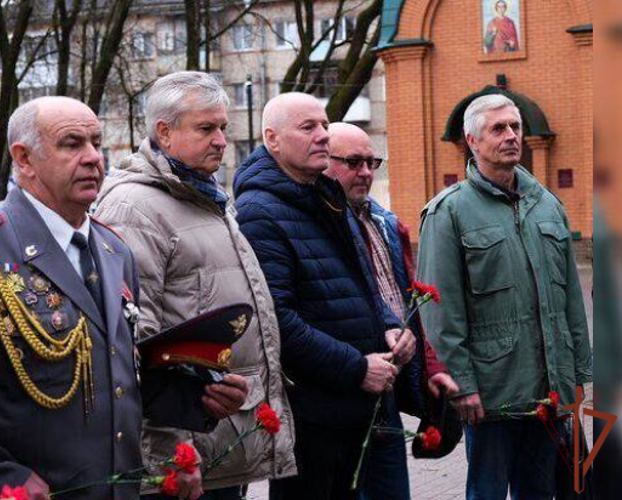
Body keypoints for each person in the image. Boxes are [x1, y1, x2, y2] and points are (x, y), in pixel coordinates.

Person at [0, 96, 247, 500]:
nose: (93, 158)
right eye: (71, 144)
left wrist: (199, 399)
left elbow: (116, 375)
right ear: (24, 158)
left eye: (96, 143)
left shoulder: (114, 249)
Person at [94, 71, 296, 500]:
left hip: (221, 437)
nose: (221, 140)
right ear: (164, 132)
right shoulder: (135, 207)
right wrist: (173, 457)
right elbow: (133, 346)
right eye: (206, 128)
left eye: (223, 127)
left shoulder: (205, 198)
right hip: (187, 456)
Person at [233, 93, 414, 500]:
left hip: (355, 408)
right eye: (308, 127)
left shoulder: (329, 197)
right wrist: (355, 368)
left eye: (325, 125)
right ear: (272, 139)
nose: (323, 137)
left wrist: (388, 326)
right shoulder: (259, 211)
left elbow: (364, 283)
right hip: (312, 417)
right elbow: (275, 319)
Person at [417, 94, 592, 499]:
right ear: (472, 141)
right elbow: (439, 311)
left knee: (541, 489)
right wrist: (461, 383)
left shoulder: (547, 205)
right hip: (491, 392)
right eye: (498, 128)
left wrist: (577, 374)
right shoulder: (449, 212)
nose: (512, 136)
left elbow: (570, 302)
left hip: (548, 385)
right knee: (488, 491)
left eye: (515, 127)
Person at [324, 123, 459, 500]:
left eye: (372, 162)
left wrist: (432, 369)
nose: (366, 172)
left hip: (389, 390)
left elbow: (413, 308)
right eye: (353, 162)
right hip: (345, 386)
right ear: (323, 162)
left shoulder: (385, 223)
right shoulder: (321, 228)